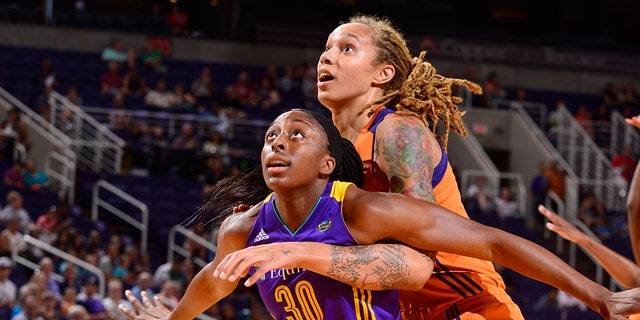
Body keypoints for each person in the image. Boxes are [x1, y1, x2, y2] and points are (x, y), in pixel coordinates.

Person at [119, 109, 640, 320]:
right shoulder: (241, 228)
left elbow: (493, 242)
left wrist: (598, 296)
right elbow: (216, 281)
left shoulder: (362, 208)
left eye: (295, 134)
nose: (277, 144)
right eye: (270, 137)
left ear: (326, 162)